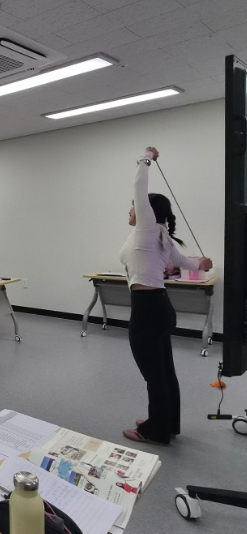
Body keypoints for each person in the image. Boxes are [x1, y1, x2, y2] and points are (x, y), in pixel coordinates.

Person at [120, 147, 212, 445]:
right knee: (164, 371)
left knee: (154, 375)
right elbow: (187, 263)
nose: (130, 211)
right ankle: (167, 422)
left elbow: (139, 186)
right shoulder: (159, 235)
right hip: (159, 307)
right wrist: (202, 264)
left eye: (133, 208)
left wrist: (146, 157)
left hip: (147, 309)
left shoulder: (148, 229)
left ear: (146, 210)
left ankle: (155, 431)